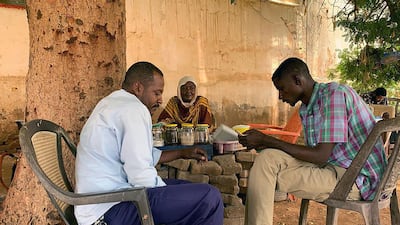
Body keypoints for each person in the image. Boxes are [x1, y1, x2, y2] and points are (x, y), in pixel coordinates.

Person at [238, 57, 387, 225]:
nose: (280, 96)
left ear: (297, 80)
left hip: (355, 178)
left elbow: (320, 156)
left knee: (263, 176)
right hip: (332, 167)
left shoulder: (333, 95)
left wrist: (268, 139)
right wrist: (266, 144)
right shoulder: (306, 108)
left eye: (282, 89)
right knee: (266, 159)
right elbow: (316, 156)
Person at [75, 61, 224, 225]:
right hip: (110, 210)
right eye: (157, 93)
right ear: (138, 88)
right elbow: (140, 173)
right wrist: (167, 194)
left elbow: (144, 155)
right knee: (210, 197)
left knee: (186, 188)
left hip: (104, 203)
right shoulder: (134, 109)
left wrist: (182, 153)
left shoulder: (112, 103)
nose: (160, 100)